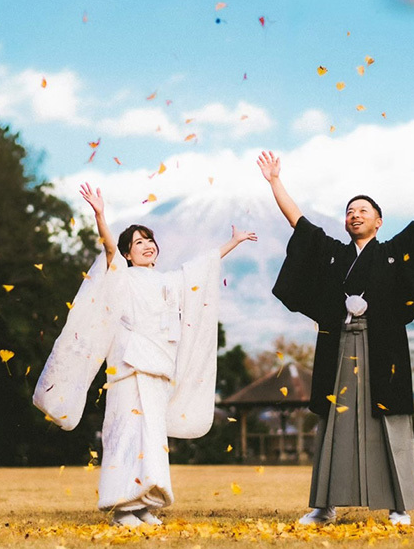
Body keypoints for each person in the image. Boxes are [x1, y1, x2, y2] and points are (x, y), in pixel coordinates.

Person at [257, 141, 414, 526]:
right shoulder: (333, 253)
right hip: (340, 345)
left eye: (363, 211)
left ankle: (398, 505)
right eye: (349, 211)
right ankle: (325, 505)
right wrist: (275, 181)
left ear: (378, 221)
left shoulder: (393, 251)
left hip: (382, 348)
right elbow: (298, 223)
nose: (355, 215)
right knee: (335, 421)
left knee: (389, 420)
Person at [34, 183, 256, 527]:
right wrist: (100, 215)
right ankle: (122, 506)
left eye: (149, 239)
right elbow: (108, 247)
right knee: (126, 431)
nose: (147, 245)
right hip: (128, 367)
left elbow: (201, 269)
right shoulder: (120, 277)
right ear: (127, 254)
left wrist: (234, 241)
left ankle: (142, 504)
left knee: (151, 436)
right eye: (138, 242)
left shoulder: (168, 281)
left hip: (157, 370)